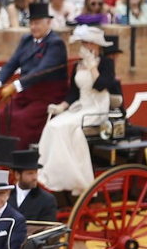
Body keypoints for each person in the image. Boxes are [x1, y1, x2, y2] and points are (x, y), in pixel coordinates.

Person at [39, 24, 118, 192]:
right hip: (81, 105)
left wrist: (92, 66)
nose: (84, 46)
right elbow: (74, 93)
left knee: (63, 127)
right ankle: (47, 171)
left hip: (97, 107)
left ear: (96, 45)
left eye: (88, 43)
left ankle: (65, 177)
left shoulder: (106, 64)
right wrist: (61, 107)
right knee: (52, 124)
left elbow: (101, 85)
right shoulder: (78, 65)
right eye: (83, 43)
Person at [0, 2, 68, 149]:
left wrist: (16, 85)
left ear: (48, 23)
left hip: (47, 96)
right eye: (31, 23)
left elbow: (41, 70)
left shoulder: (56, 44)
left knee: (22, 119)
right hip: (27, 94)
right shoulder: (26, 40)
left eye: (37, 23)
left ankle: (20, 156)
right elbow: (13, 62)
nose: (33, 27)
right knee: (4, 115)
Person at [4, 149, 57, 222]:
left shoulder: (47, 200)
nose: (35, 177)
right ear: (17, 175)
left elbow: (46, 228)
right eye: (30, 173)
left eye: (36, 172)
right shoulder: (6, 196)